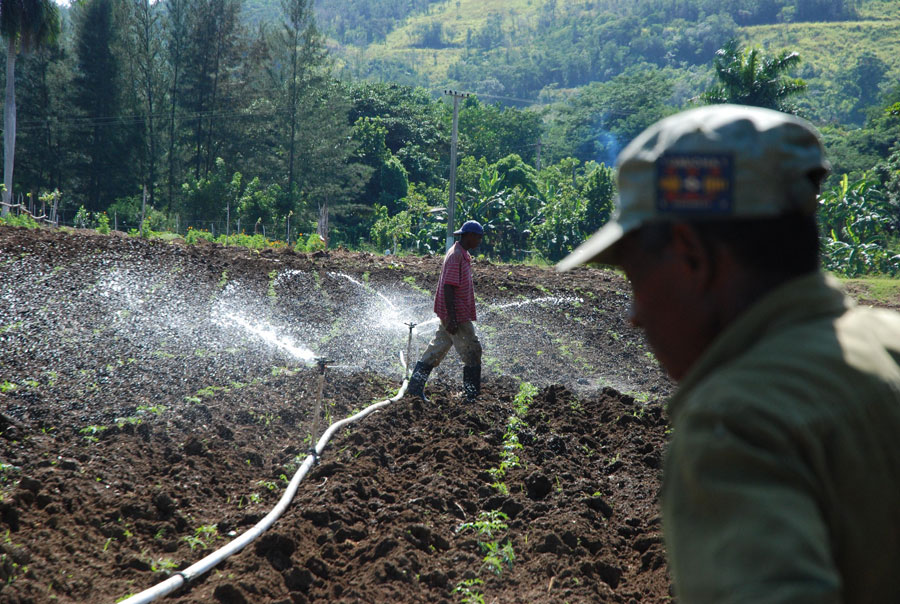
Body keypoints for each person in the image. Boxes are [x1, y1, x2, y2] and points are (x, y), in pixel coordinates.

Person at [557, 104, 900, 603]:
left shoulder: (738, 423)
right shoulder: (889, 337)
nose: (633, 314)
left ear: (691, 256)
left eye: (635, 277)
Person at [407, 220, 484, 403]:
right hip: (457, 315)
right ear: (469, 236)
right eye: (478, 237)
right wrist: (451, 317)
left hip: (454, 314)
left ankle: (415, 387)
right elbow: (449, 287)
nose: (479, 241)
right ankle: (471, 394)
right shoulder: (456, 256)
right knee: (473, 351)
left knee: (437, 349)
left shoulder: (461, 254)